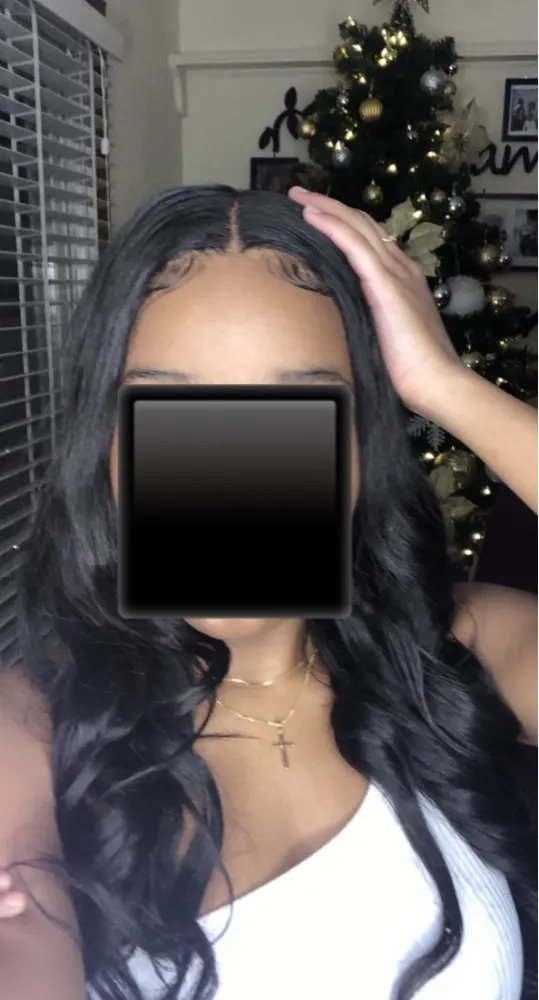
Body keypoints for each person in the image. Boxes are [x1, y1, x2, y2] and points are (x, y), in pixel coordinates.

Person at [0, 186, 537, 1000]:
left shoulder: (468, 650)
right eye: (168, 403)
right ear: (105, 443)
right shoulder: (34, 730)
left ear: (358, 445)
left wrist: (445, 386)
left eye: (297, 404)